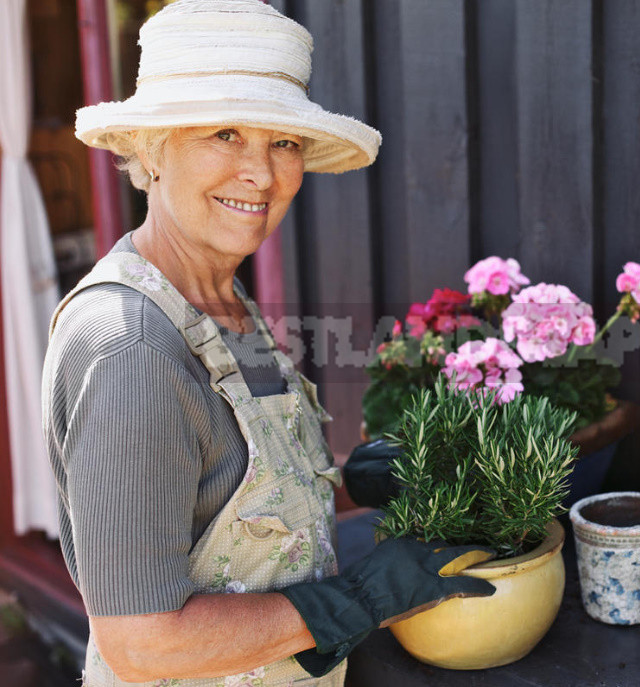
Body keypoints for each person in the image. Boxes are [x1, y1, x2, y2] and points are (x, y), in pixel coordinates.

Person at [41, 1, 494, 685]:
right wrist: (363, 598)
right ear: (151, 149)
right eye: (224, 133)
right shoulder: (131, 348)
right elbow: (144, 642)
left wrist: (355, 480)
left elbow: (237, 496)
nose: (261, 173)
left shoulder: (220, 301)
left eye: (282, 140)